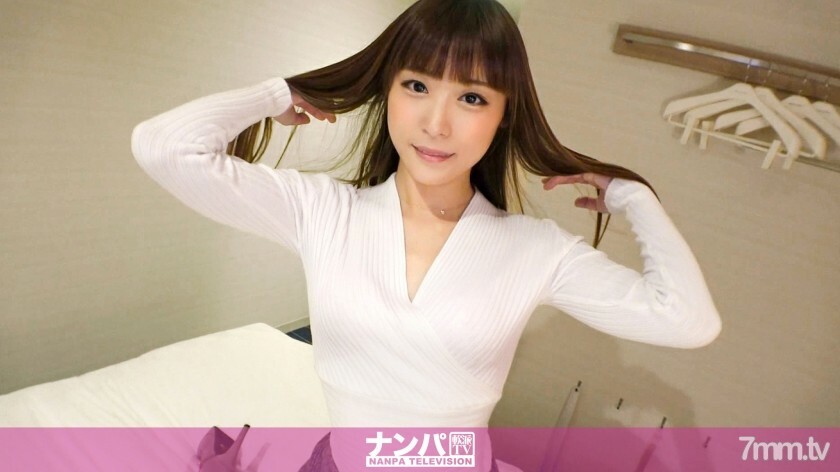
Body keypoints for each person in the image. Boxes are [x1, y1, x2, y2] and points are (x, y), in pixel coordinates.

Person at [131, 0, 721, 470]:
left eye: (471, 97)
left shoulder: (534, 249)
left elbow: (688, 321)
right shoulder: (325, 212)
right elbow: (162, 148)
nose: (437, 124)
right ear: (386, 90)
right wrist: (277, 94)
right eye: (416, 86)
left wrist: (634, 200)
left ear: (503, 116)